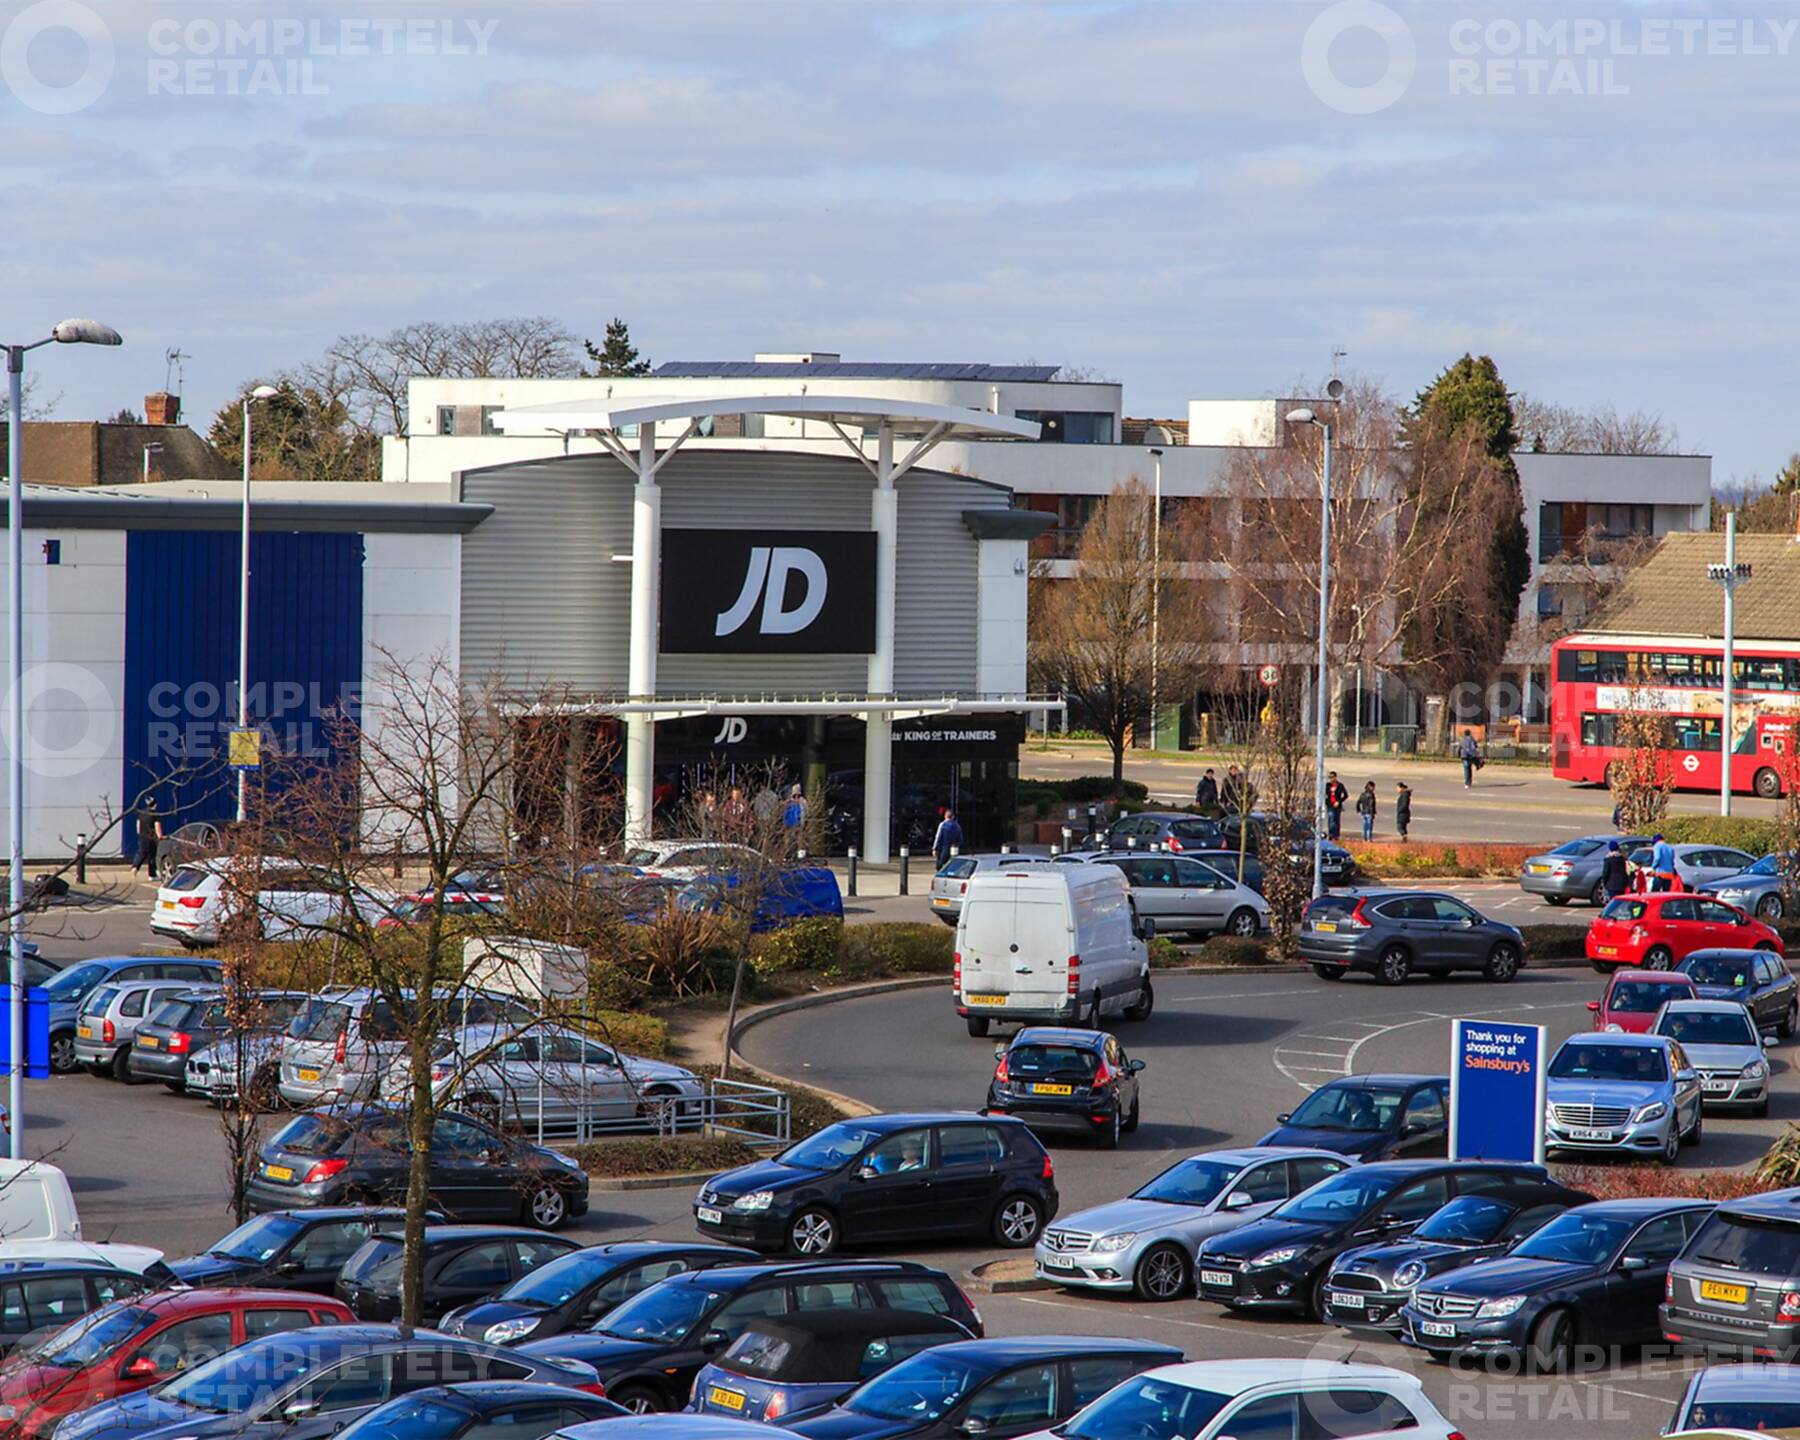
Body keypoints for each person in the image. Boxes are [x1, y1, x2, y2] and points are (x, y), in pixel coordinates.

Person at [132, 794, 163, 877]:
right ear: (155, 804)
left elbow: (138, 826)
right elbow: (157, 827)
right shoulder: (155, 815)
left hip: (142, 837)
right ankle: (152, 875)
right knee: (152, 856)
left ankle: (135, 867)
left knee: (141, 853)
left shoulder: (141, 813)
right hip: (151, 839)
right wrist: (160, 837)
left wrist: (140, 833)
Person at [1324, 771, 1348, 841]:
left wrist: (1339, 801)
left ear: (1335, 777)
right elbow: (1325, 794)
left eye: (1332, 777)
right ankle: (1331, 835)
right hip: (1330, 806)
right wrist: (1327, 801)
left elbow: (1345, 795)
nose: (1331, 779)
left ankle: (1336, 835)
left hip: (1337, 806)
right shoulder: (1327, 785)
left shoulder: (1340, 785)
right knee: (1331, 820)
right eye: (1330, 777)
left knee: (1337, 821)